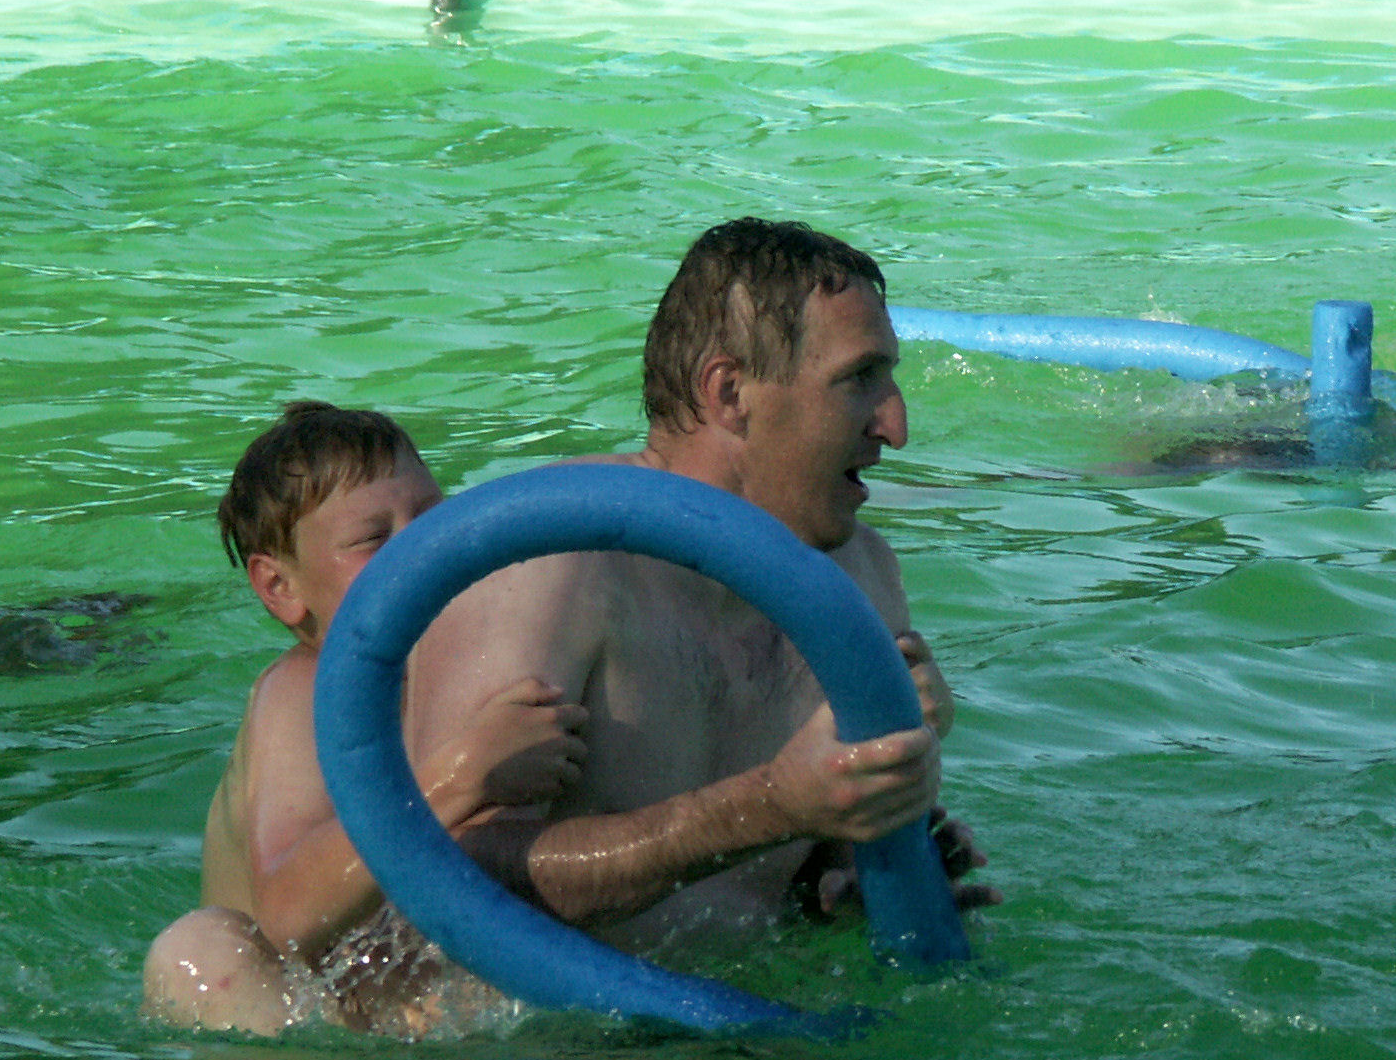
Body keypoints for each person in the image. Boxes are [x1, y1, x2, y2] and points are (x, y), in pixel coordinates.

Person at [410, 218, 993, 955]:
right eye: (858, 379)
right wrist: (771, 808)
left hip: (743, 1011)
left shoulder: (861, 579)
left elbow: (796, 863)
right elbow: (435, 878)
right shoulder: (546, 564)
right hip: (531, 1025)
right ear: (729, 392)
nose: (897, 426)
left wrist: (862, 876)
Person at [142, 402, 587, 1034]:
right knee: (198, 951)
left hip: (408, 1017)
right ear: (281, 589)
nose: (420, 548)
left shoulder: (466, 670)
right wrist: (465, 775)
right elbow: (289, 914)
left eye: (432, 518)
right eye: (373, 539)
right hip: (294, 1022)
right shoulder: (299, 696)